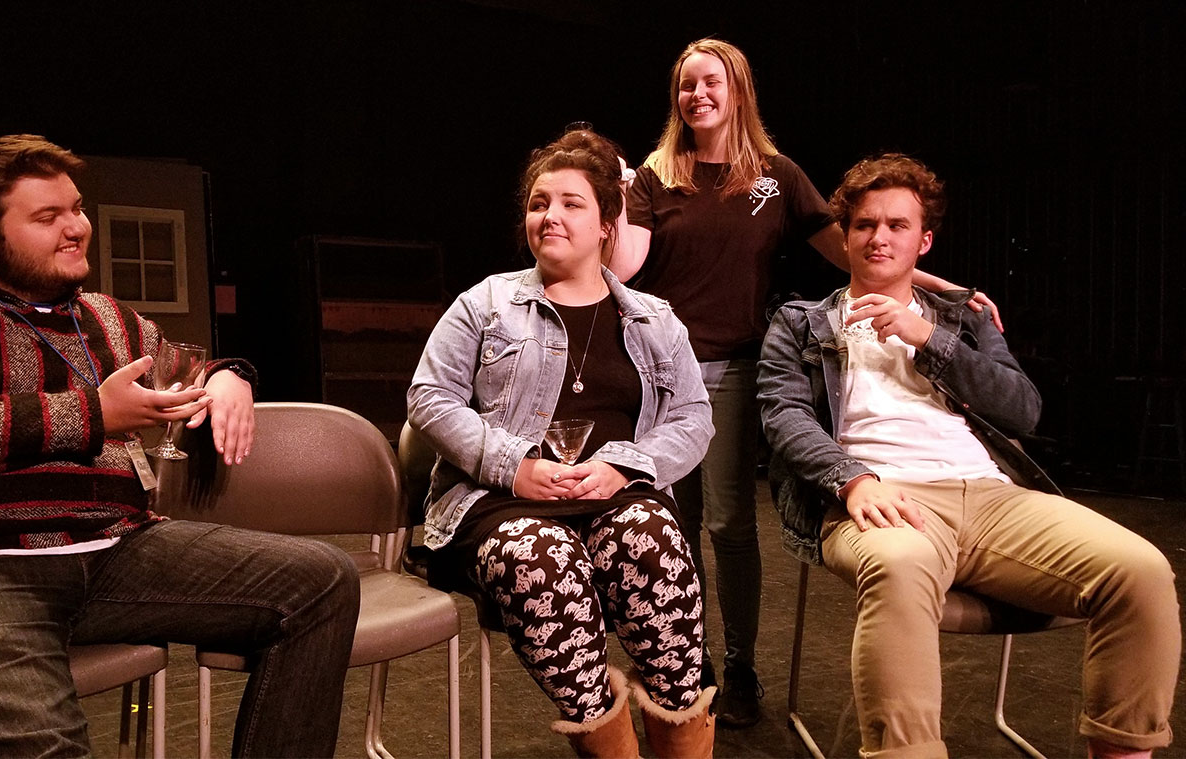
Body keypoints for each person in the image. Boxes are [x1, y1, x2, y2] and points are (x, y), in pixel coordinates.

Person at [0, 134, 360, 758]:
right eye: (47, 217)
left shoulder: (107, 319)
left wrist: (230, 378)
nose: (76, 228)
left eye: (77, 209)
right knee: (42, 748)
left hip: (111, 550)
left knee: (320, 581)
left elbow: (186, 369)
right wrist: (92, 413)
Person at [608, 37, 1002, 727]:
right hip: (661, 372)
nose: (697, 95)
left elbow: (857, 251)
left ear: (737, 92)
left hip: (732, 368)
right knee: (672, 524)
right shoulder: (653, 176)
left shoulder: (775, 175)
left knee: (729, 522)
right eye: (685, 85)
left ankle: (738, 666)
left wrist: (940, 287)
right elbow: (628, 265)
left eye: (711, 83)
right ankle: (686, 662)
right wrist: (615, 203)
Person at [757, 153, 1179, 758]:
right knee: (899, 567)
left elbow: (1022, 411)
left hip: (989, 496)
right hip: (878, 497)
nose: (880, 237)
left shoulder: (963, 321)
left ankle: (1122, 749)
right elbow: (785, 417)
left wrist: (927, 337)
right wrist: (851, 480)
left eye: (897, 225)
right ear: (844, 237)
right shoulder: (799, 323)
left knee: (1141, 573)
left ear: (923, 241)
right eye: (865, 225)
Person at [407, 128, 716, 758]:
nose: (551, 216)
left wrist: (624, 467)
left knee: (653, 545)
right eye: (540, 202)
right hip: (502, 501)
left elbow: (692, 419)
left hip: (614, 494)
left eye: (572, 203)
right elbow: (428, 398)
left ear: (607, 221)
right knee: (539, 559)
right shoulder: (485, 302)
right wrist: (513, 465)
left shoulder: (655, 319)